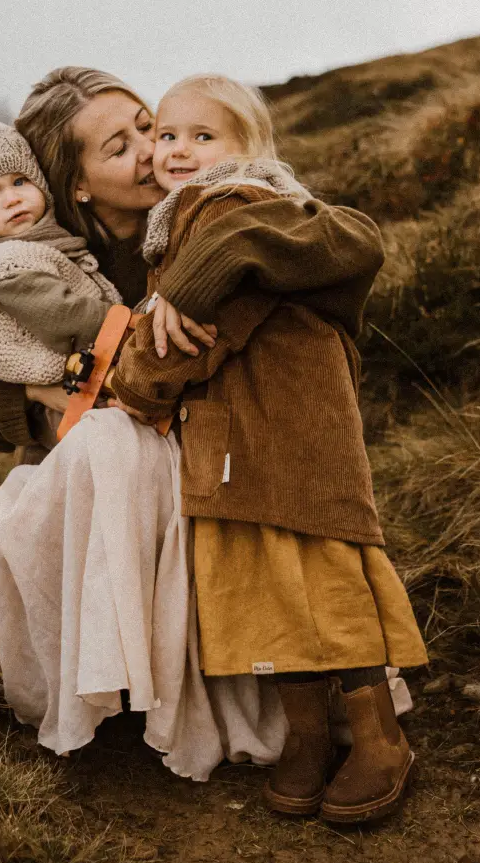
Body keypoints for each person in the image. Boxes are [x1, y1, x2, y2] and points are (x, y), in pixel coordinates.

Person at [0, 67, 413, 783]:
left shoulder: (210, 205)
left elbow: (342, 237)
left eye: (148, 126)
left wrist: (186, 289)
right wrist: (46, 393)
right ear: (80, 182)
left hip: (220, 437)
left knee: (129, 460)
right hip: (112, 437)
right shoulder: (40, 251)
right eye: (120, 146)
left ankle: (255, 702)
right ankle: (117, 684)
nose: (153, 149)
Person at [110, 73, 428, 822]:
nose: (177, 149)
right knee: (265, 587)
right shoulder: (184, 222)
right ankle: (309, 739)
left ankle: (380, 738)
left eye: (203, 135)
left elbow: (194, 335)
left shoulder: (234, 205)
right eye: (166, 134)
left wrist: (138, 385)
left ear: (248, 149)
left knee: (322, 577)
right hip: (244, 438)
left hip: (287, 431)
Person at [0, 100, 120, 445]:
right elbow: (63, 314)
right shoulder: (3, 264)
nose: (12, 198)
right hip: (60, 402)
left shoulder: (45, 244)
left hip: (83, 380)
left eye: (20, 181)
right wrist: (127, 321)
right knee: (113, 451)